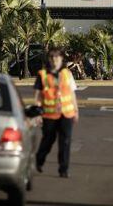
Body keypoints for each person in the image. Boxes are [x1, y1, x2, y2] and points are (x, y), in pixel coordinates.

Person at [34, 47, 79, 178]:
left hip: (67, 113)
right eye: (52, 57)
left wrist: (76, 110)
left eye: (57, 57)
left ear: (61, 59)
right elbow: (38, 96)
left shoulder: (67, 74)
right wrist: (37, 113)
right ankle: (39, 160)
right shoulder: (42, 75)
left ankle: (63, 169)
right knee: (48, 139)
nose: (55, 60)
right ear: (49, 59)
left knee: (65, 141)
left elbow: (72, 93)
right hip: (49, 115)